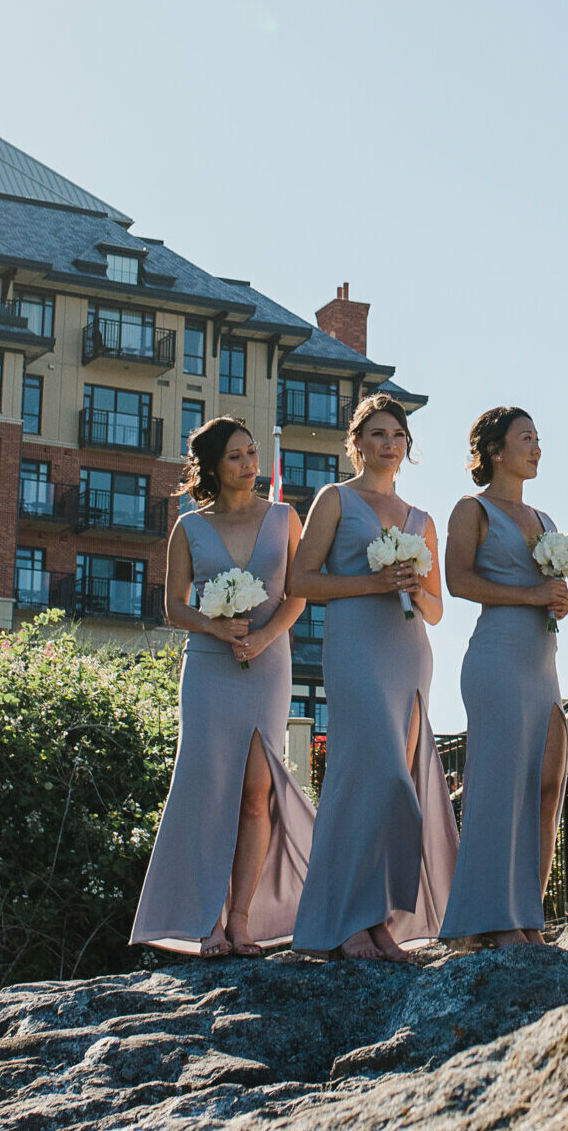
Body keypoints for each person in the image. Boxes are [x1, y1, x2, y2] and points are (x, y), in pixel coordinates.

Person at [129, 417, 318, 956]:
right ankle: (206, 921)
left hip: (268, 662)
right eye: (236, 456)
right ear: (213, 466)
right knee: (211, 793)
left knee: (258, 794)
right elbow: (174, 606)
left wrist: (263, 640)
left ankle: (241, 919)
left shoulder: (285, 518)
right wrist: (214, 626)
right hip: (210, 666)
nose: (249, 464)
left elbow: (298, 594)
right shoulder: (188, 528)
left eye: (253, 453)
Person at [287, 394, 456, 961]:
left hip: (410, 656)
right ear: (356, 442)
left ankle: (378, 920)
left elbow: (436, 611)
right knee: (369, 778)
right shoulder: (335, 499)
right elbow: (301, 581)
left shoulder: (422, 520)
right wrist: (372, 584)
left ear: (408, 447)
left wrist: (413, 588)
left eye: (398, 436)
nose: (390, 444)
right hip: (356, 652)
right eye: (378, 434)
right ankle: (344, 921)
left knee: (397, 784)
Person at [438, 407, 568, 949]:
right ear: (496, 450)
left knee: (547, 784)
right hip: (495, 659)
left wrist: (558, 597)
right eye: (526, 439)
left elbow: (552, 589)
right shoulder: (472, 510)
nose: (537, 448)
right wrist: (532, 595)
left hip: (543, 660)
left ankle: (528, 917)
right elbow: (457, 581)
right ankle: (490, 922)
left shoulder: (547, 520)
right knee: (498, 789)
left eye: (539, 438)